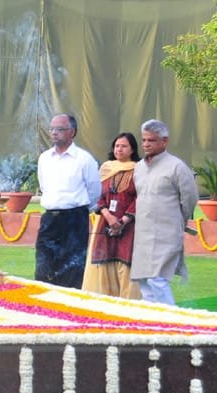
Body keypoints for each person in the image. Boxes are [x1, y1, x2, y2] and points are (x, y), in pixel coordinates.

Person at [130, 119, 199, 305]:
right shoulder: (139, 167)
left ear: (165, 141)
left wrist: (178, 219)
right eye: (144, 140)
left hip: (167, 231)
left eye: (151, 140)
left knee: (157, 278)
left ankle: (172, 322)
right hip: (143, 231)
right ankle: (153, 325)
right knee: (143, 280)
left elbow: (190, 199)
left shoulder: (177, 167)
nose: (145, 144)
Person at [34, 113, 101, 288]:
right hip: (50, 218)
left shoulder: (84, 159)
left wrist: (81, 209)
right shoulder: (44, 158)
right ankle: (43, 306)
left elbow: (94, 190)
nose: (54, 133)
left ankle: (69, 306)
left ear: (72, 132)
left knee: (72, 268)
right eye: (52, 129)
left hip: (74, 218)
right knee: (44, 266)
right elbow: (44, 186)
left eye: (60, 129)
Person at [81, 132, 141, 298]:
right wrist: (108, 215)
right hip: (104, 223)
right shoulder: (105, 168)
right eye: (116, 146)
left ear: (132, 149)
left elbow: (140, 197)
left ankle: (129, 304)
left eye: (124, 146)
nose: (119, 149)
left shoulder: (139, 170)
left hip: (130, 225)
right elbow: (96, 194)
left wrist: (123, 220)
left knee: (126, 261)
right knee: (103, 259)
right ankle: (104, 302)